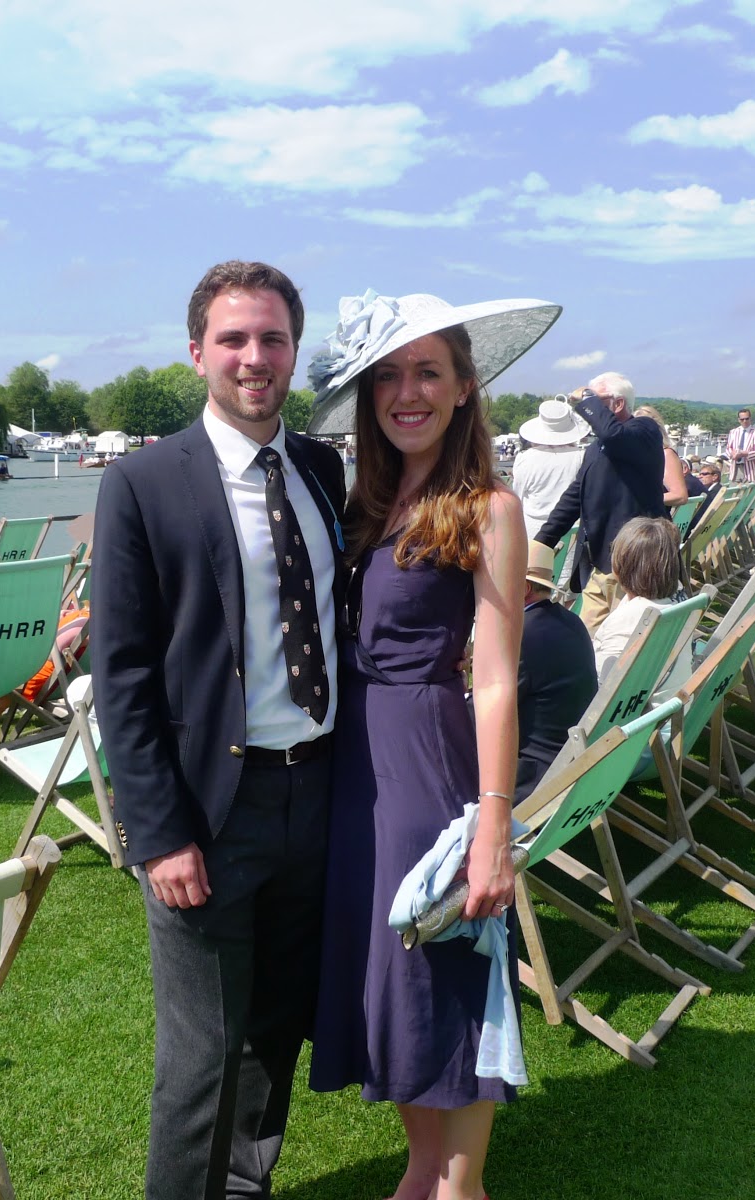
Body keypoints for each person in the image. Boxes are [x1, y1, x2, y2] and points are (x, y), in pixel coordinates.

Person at [90, 260, 346, 1200]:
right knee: (201, 1056)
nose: (254, 357)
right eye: (234, 339)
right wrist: (159, 833)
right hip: (209, 809)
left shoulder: (320, 467)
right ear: (197, 351)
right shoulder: (143, 482)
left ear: (293, 354)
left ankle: (243, 1183)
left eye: (272, 339)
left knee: (276, 1022)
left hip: (314, 792)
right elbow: (119, 673)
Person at [307, 287, 545, 1200]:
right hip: (355, 763)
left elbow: (495, 677)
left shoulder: (488, 507)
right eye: (391, 375)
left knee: (443, 951)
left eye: (428, 372)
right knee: (384, 960)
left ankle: (462, 1183)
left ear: (463, 387)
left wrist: (494, 823)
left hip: (428, 760)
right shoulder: (364, 500)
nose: (408, 391)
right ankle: (420, 1166)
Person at [535, 371, 666, 635]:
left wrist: (585, 396)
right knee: (586, 636)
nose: (585, 410)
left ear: (618, 404)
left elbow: (613, 435)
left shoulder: (644, 430)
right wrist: (542, 541)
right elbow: (575, 496)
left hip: (634, 558)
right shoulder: (597, 448)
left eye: (596, 401)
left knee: (625, 636)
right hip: (601, 560)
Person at [515, 541, 596, 799]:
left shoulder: (521, 635)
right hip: (568, 765)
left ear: (524, 588)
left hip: (531, 779)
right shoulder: (571, 621)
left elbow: (488, 711)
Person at [591, 517, 681, 682]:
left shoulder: (630, 617)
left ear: (621, 564)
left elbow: (605, 686)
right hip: (667, 703)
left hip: (627, 704)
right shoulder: (674, 606)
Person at [510, 397, 589, 540]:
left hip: (533, 529)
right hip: (570, 528)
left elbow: (517, 497)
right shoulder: (582, 457)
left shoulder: (525, 458)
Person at [634, 405, 688, 506]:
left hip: (652, 518)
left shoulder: (666, 454)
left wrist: (640, 500)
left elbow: (680, 496)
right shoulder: (637, 455)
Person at [726, 408, 755, 483]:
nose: (744, 421)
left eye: (746, 419)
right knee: (734, 492)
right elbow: (728, 448)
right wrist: (732, 454)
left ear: (750, 419)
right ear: (739, 420)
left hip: (750, 469)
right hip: (735, 468)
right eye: (742, 419)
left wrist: (745, 454)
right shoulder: (733, 432)